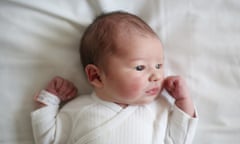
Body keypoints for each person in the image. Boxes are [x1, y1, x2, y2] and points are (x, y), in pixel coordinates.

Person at [31, 11, 198, 144]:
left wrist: (183, 102)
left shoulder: (160, 109)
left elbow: (180, 139)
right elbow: (48, 139)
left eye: (159, 66)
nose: (156, 76)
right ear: (96, 76)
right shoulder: (78, 110)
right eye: (140, 67)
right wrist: (49, 99)